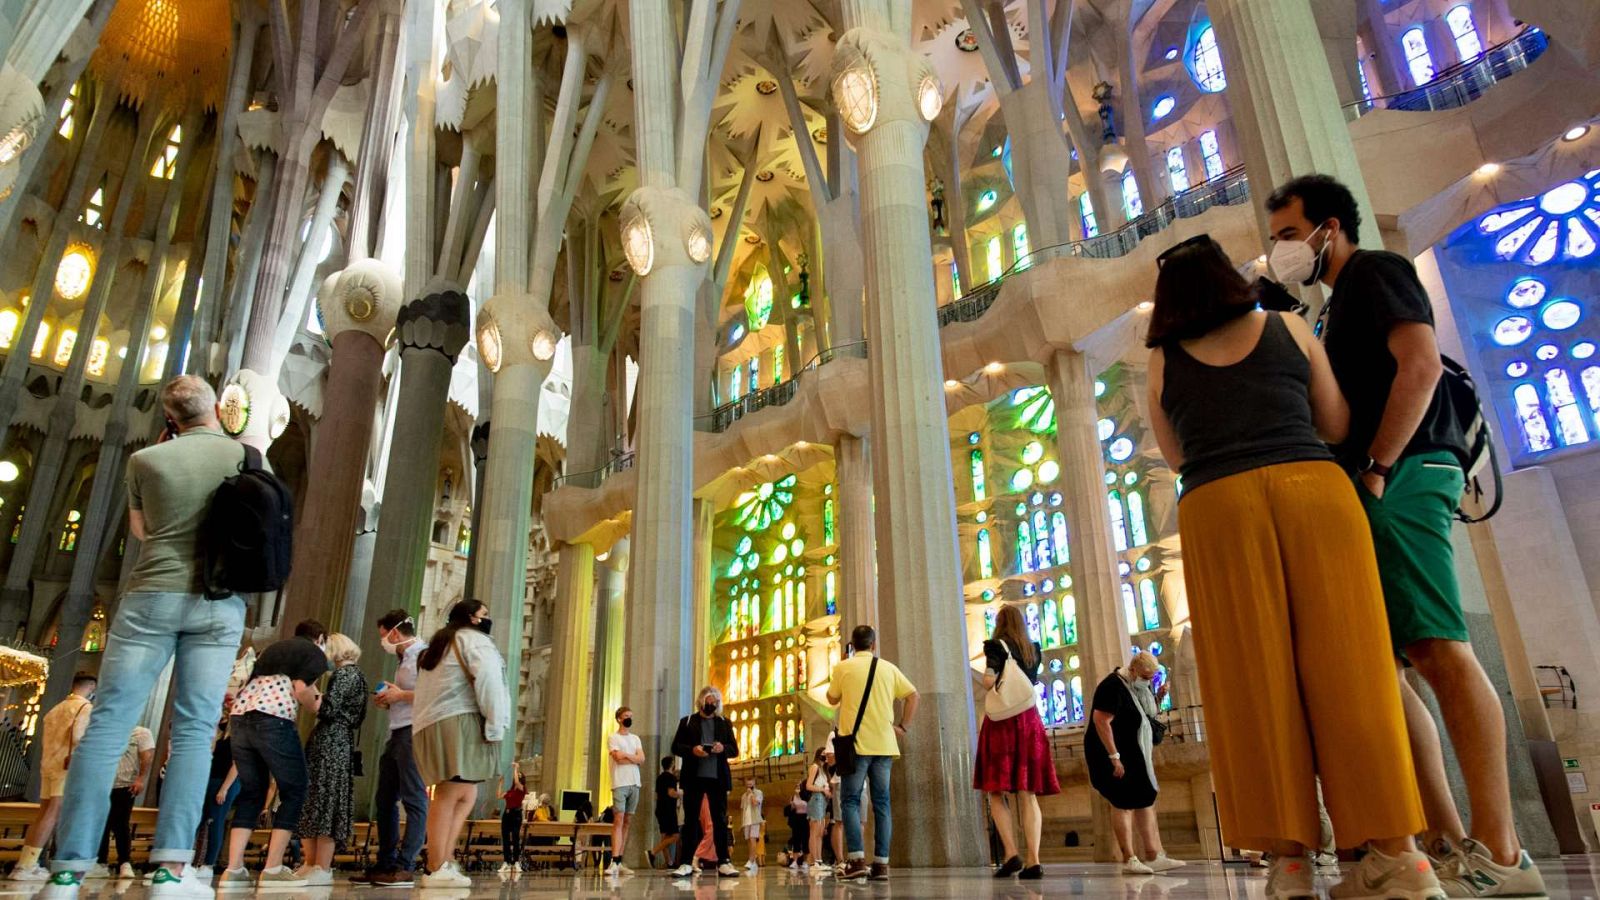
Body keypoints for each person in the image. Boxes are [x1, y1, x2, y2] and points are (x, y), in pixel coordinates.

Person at [1266, 174, 1545, 898]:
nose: (1281, 249)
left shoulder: (1376, 272)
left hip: (1408, 466)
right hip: (1374, 477)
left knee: (1439, 648)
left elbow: (1418, 365)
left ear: (1329, 226)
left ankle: (1504, 852)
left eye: (1290, 234)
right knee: (1387, 665)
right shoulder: (1330, 308)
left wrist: (1380, 468)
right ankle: (1447, 839)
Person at [1145, 232, 1443, 900]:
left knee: (1252, 684)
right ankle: (1399, 858)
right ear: (1229, 279)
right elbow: (1335, 422)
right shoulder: (1287, 326)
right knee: (1356, 669)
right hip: (1315, 493)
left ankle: (1288, 862)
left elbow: (1173, 456)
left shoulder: (1163, 361)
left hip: (1220, 508)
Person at [41, 376, 249, 900]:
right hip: (217, 599)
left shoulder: (145, 462)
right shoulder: (242, 457)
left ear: (170, 419)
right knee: (197, 729)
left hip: (150, 594)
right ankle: (170, 872)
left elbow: (141, 530)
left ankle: (67, 871)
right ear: (218, 412)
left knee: (108, 725)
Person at [218, 621, 331, 890]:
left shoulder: (273, 648)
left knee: (252, 792)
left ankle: (233, 869)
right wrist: (318, 704)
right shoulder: (314, 652)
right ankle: (273, 868)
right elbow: (302, 688)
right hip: (273, 717)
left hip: (241, 718)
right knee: (296, 788)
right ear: (321, 638)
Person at [411, 600, 510, 889]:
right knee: (451, 793)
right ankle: (435, 864)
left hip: (435, 722)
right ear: (472, 619)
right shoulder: (475, 641)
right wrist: (495, 723)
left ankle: (445, 858)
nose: (488, 620)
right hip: (460, 721)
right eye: (485, 615)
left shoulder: (441, 645)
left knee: (466, 793)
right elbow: (490, 682)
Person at [824, 626, 918, 883]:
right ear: (874, 645)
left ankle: (855, 860)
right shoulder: (888, 668)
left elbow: (831, 699)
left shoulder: (844, 667)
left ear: (853, 645)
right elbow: (913, 696)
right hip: (885, 745)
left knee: (851, 801)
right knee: (882, 804)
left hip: (855, 747)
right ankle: (881, 865)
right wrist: (903, 726)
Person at [975, 605, 1062, 881]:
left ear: (999, 624)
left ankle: (1012, 853)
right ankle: (1034, 860)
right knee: (1028, 792)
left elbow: (989, 681)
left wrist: (986, 678)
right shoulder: (1033, 649)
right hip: (1029, 720)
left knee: (996, 790)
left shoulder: (995, 646)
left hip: (1002, 723)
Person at [1083, 653, 1181, 875]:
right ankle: (1129, 857)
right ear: (1134, 670)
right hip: (1110, 751)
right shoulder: (1112, 686)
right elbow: (1101, 721)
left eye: (1151, 678)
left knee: (1145, 798)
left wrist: (1158, 697)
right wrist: (1114, 757)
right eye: (1145, 676)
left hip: (1134, 751)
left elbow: (1141, 714)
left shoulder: (1138, 687)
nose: (1147, 681)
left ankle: (1153, 855)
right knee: (1122, 802)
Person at [353, 610, 429, 887]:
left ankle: (405, 864)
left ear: (394, 633)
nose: (382, 642)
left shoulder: (425, 654)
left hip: (414, 732)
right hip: (396, 732)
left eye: (382, 636)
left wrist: (401, 696)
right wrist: (390, 699)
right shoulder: (404, 659)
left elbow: (436, 695)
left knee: (413, 798)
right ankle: (385, 862)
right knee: (384, 800)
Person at [296, 633, 367, 886]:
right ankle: (311, 862)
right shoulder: (351, 676)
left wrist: (312, 692)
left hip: (332, 741)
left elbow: (329, 709)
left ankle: (321, 865)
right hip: (332, 739)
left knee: (325, 798)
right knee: (318, 797)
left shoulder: (346, 675)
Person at [11, 673, 94, 881]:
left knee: (43, 813)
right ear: (92, 687)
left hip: (48, 765)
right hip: (67, 767)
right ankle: (27, 866)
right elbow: (78, 737)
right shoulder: (84, 708)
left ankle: (26, 861)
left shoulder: (55, 709)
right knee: (53, 814)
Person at [668, 686, 739, 878]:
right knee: (691, 821)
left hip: (717, 778)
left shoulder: (724, 723)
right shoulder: (688, 721)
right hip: (694, 777)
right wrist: (693, 750)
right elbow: (676, 746)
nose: (710, 705)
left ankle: (723, 861)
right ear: (701, 702)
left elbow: (734, 749)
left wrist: (721, 748)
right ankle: (685, 862)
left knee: (720, 820)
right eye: (708, 702)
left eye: (714, 703)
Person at [93, 726, 155, 880]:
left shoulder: (141, 732)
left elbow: (146, 757)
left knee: (120, 823)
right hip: (104, 784)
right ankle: (100, 861)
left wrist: (140, 779)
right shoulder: (109, 728)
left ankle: (124, 862)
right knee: (102, 824)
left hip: (126, 784)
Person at [193, 711, 238, 879]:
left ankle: (208, 864)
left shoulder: (237, 740)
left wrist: (224, 788)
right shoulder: (221, 739)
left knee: (216, 822)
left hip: (226, 782)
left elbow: (236, 765)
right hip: (212, 780)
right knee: (200, 819)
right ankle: (191, 860)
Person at [605, 706, 645, 877]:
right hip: (620, 782)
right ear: (619, 719)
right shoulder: (613, 737)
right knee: (618, 819)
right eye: (626, 716)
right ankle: (613, 860)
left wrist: (626, 755)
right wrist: (632, 757)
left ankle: (620, 860)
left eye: (631, 716)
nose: (629, 718)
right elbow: (617, 759)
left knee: (627, 821)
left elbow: (641, 759)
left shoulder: (635, 738)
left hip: (635, 783)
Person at [646, 757, 681, 869]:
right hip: (669, 810)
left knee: (664, 836)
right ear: (672, 765)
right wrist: (681, 794)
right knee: (675, 836)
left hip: (660, 809)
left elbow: (656, 795)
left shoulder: (659, 778)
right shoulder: (671, 778)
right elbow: (671, 793)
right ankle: (653, 852)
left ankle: (669, 862)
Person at [802, 751, 830, 878]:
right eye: (824, 753)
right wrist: (822, 790)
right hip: (816, 799)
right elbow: (809, 785)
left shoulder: (824, 770)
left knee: (819, 833)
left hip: (822, 800)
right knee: (814, 832)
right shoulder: (814, 767)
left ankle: (819, 860)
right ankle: (813, 862)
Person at [498, 762, 526, 875]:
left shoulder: (522, 788)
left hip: (516, 814)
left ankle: (516, 862)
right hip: (507, 814)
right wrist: (500, 783)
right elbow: (499, 795)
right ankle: (506, 862)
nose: (516, 777)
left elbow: (517, 781)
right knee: (505, 838)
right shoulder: (510, 791)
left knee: (515, 838)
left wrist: (516, 768)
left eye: (518, 776)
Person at [738, 775, 764, 873]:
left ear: (754, 782)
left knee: (753, 839)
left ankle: (751, 860)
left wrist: (751, 794)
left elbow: (755, 804)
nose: (749, 785)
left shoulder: (758, 793)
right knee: (749, 840)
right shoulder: (743, 796)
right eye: (747, 784)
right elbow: (742, 810)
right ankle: (753, 860)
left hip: (755, 820)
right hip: (746, 821)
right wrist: (742, 822)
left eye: (751, 783)